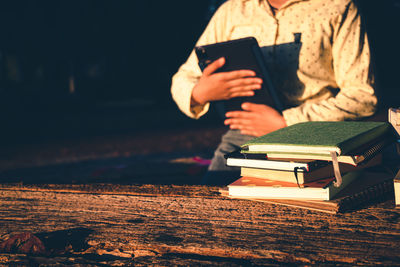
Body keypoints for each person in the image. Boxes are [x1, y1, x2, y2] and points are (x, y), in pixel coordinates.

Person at [171, 0, 378, 185]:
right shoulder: (233, 10)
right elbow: (182, 79)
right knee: (210, 209)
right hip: (244, 139)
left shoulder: (339, 7)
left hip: (317, 141)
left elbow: (362, 96)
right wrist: (200, 92)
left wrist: (287, 122)